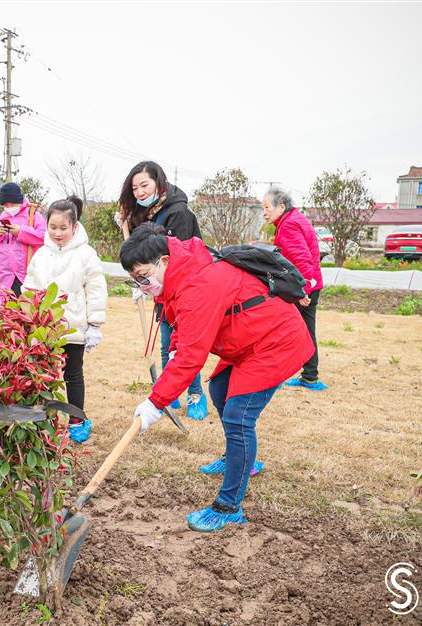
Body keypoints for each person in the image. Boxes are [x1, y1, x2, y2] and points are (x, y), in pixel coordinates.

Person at [121, 224, 313, 532]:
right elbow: (177, 318)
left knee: (239, 416)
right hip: (248, 341)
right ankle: (240, 458)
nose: (143, 284)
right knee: (221, 389)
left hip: (275, 341)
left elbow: (192, 357)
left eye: (144, 275)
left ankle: (228, 505)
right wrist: (173, 350)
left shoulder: (199, 283)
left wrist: (156, 403)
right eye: (136, 279)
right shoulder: (180, 276)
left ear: (165, 261)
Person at [118, 161, 207, 420]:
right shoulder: (151, 213)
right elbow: (139, 253)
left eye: (144, 185)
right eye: (134, 188)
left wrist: (153, 283)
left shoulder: (177, 212)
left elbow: (176, 257)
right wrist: (141, 281)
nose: (139, 192)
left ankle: (196, 394)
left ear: (159, 182)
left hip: (185, 291)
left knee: (184, 346)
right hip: (162, 290)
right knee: (168, 345)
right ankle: (169, 395)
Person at [23, 196, 107, 443]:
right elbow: (29, 287)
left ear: (74, 226)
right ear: (46, 225)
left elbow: (95, 288)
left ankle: (78, 419)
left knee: (72, 375)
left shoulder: (85, 254)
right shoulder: (40, 254)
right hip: (45, 329)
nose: (58, 233)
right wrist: (27, 317)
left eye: (63, 228)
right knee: (42, 375)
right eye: (53, 227)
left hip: (73, 328)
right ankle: (43, 419)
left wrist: (95, 325)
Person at [262, 188, 327, 390]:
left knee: (279, 329)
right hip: (311, 284)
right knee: (307, 330)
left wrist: (303, 291)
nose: (264, 212)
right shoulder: (292, 220)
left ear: (281, 206)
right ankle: (310, 376)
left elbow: (302, 259)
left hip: (304, 286)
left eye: (266, 207)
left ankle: (274, 376)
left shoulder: (289, 225)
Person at [0, 182, 46, 310]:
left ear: (20, 201)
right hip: (2, 277)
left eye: (12, 204)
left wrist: (21, 232)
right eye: (6, 205)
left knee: (26, 313)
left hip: (25, 276)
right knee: (0, 313)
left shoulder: (33, 216)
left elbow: (43, 237)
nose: (9, 207)